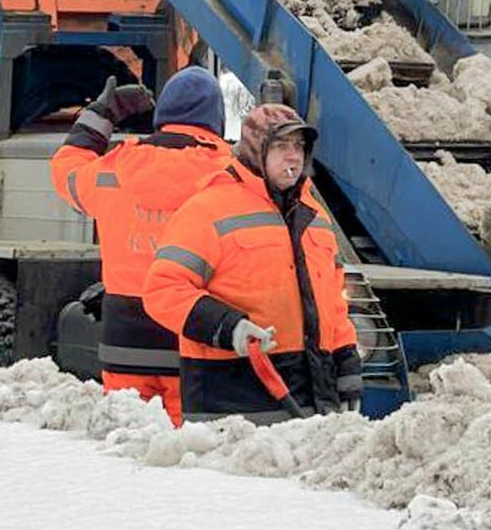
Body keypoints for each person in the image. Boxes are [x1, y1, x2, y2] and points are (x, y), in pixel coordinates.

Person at [142, 104, 363, 423]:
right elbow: (163, 290)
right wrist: (228, 328)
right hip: (232, 407)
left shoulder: (314, 216)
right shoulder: (208, 210)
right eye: (281, 146)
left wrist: (346, 365)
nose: (293, 156)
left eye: (299, 146)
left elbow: (332, 300)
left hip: (311, 401)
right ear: (256, 150)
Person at [50, 66, 233, 425]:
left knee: (127, 445)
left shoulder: (113, 170)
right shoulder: (230, 176)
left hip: (124, 343)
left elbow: (65, 170)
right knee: (193, 454)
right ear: (218, 119)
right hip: (195, 346)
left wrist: (101, 116)